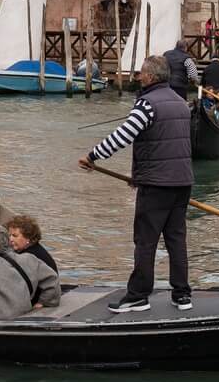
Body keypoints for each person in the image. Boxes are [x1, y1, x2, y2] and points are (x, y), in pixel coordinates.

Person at [81, 52, 193, 313]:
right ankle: (182, 294)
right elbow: (169, 147)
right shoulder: (180, 103)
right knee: (176, 239)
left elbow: (123, 135)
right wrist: (138, 175)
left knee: (145, 241)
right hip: (183, 182)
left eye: (141, 73)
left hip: (156, 186)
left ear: (151, 76)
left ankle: (138, 296)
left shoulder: (147, 104)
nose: (138, 76)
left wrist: (93, 156)